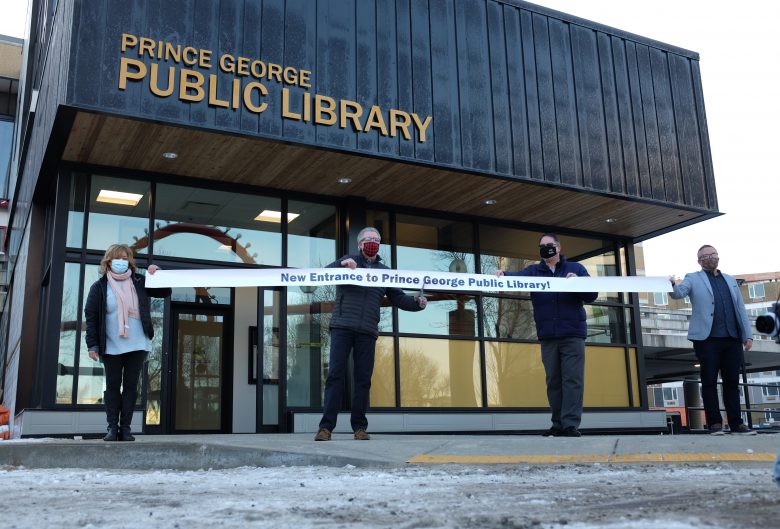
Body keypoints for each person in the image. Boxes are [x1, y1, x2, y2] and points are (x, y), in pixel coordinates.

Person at [315, 227, 428, 441]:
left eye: (376, 239)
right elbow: (324, 274)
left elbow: (399, 298)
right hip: (342, 327)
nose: (372, 242)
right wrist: (342, 266)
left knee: (363, 380)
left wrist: (417, 303)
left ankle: (359, 427)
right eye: (368, 239)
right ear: (359, 244)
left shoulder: (384, 271)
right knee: (335, 377)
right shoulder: (348, 261)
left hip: (367, 331)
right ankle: (325, 427)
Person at [495, 233, 596, 437]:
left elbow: (592, 295)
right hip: (548, 335)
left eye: (549, 245)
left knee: (572, 380)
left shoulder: (576, 269)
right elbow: (516, 279)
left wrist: (578, 283)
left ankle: (570, 424)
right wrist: (503, 275)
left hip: (572, 334)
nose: (545, 248)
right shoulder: (534, 271)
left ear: (558, 247)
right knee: (554, 381)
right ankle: (557, 424)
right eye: (541, 246)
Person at [84, 244, 171, 441]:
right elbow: (91, 316)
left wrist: (157, 274)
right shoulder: (99, 287)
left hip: (137, 343)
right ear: (108, 261)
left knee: (131, 386)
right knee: (113, 386)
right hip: (111, 344)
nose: (122, 262)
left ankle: (126, 429)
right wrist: (92, 345)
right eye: (118, 258)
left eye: (125, 258)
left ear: (130, 261)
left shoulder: (140, 281)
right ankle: (112, 428)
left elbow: (164, 292)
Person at [670, 245, 756, 435]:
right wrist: (670, 284)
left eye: (713, 254)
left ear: (718, 257)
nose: (711, 258)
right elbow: (678, 293)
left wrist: (747, 335)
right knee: (709, 381)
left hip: (732, 338)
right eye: (706, 255)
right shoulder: (693, 277)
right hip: (707, 339)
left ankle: (737, 423)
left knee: (732, 382)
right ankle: (715, 423)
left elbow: (740, 308)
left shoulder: (730, 280)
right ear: (699, 260)